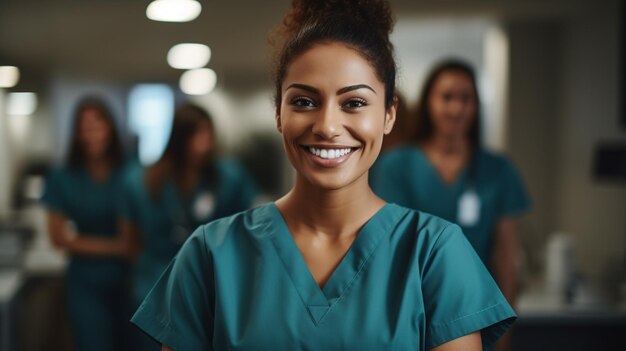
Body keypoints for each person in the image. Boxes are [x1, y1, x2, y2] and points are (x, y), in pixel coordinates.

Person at [131, 1, 516, 350]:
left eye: (354, 103)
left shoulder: (436, 254)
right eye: (304, 101)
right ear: (278, 112)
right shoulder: (210, 254)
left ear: (389, 114)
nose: (328, 125)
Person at [370, 59, 531, 350]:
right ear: (428, 103)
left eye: (466, 98)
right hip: (409, 311)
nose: (456, 108)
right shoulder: (395, 166)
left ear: (477, 106)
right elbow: (385, 249)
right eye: (447, 97)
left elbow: (505, 257)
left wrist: (505, 332)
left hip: (476, 313)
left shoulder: (497, 169)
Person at [119, 103, 259, 349]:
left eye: (208, 135)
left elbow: (246, 229)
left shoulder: (229, 177)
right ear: (178, 139)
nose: (203, 144)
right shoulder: (142, 180)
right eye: (195, 135)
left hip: (211, 281)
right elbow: (132, 240)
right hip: (155, 282)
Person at [41, 97, 133, 351]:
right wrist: (116, 247)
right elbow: (58, 239)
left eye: (98, 126)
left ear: (111, 129)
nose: (92, 135)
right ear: (77, 133)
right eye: (85, 128)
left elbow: (134, 233)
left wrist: (81, 243)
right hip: (85, 281)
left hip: (127, 279)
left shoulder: (129, 173)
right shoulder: (63, 176)